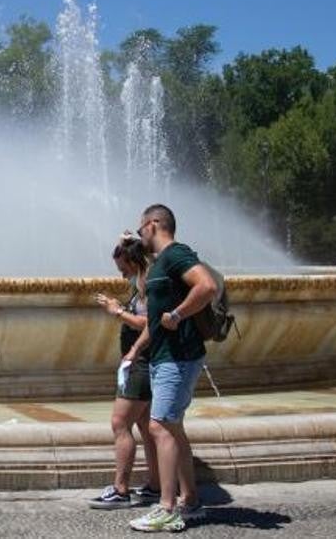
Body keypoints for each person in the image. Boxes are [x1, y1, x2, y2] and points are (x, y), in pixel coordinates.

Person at [125, 204, 217, 533]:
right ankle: (190, 500)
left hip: (177, 357)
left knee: (160, 427)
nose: (139, 235)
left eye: (140, 230)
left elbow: (206, 286)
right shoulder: (160, 263)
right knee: (172, 427)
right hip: (166, 354)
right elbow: (155, 319)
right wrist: (137, 349)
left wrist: (178, 315)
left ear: (153, 224)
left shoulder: (176, 254)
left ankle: (167, 508)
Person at [89, 233, 161, 510]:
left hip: (141, 362)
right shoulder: (145, 280)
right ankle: (155, 485)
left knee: (120, 424)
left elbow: (148, 324)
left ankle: (121, 489)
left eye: (124, 269)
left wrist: (116, 311)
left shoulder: (146, 285)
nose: (122, 276)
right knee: (146, 426)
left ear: (134, 262)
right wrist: (134, 236)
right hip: (144, 362)